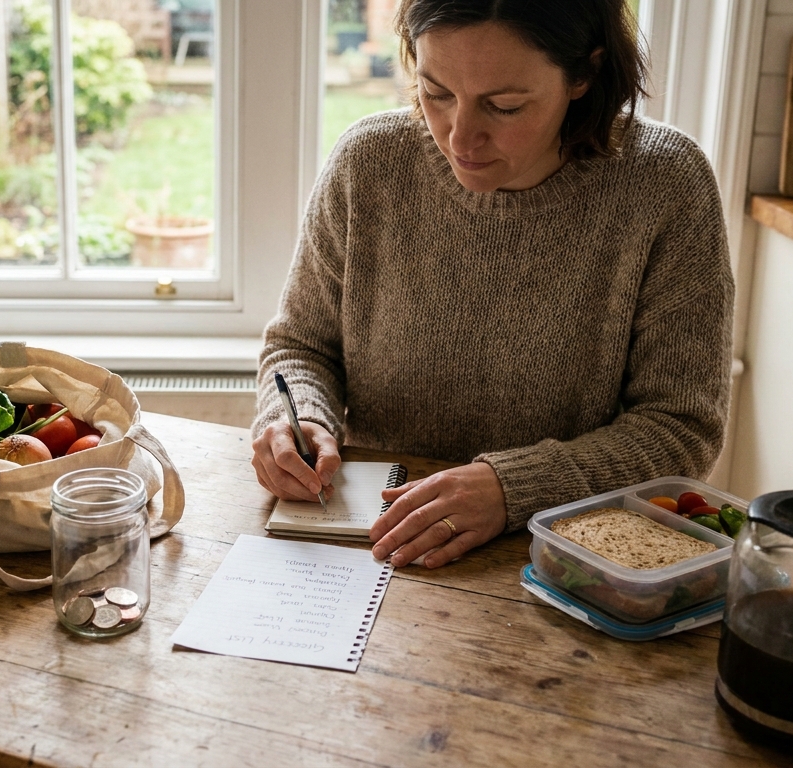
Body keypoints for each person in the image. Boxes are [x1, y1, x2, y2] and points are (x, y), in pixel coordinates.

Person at [250, 0, 734, 570]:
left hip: (561, 566)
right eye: (437, 93)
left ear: (583, 74)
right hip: (377, 544)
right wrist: (298, 419)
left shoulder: (667, 184)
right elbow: (301, 348)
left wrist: (512, 489)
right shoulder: (369, 163)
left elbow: (682, 426)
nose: (459, 138)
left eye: (503, 107)